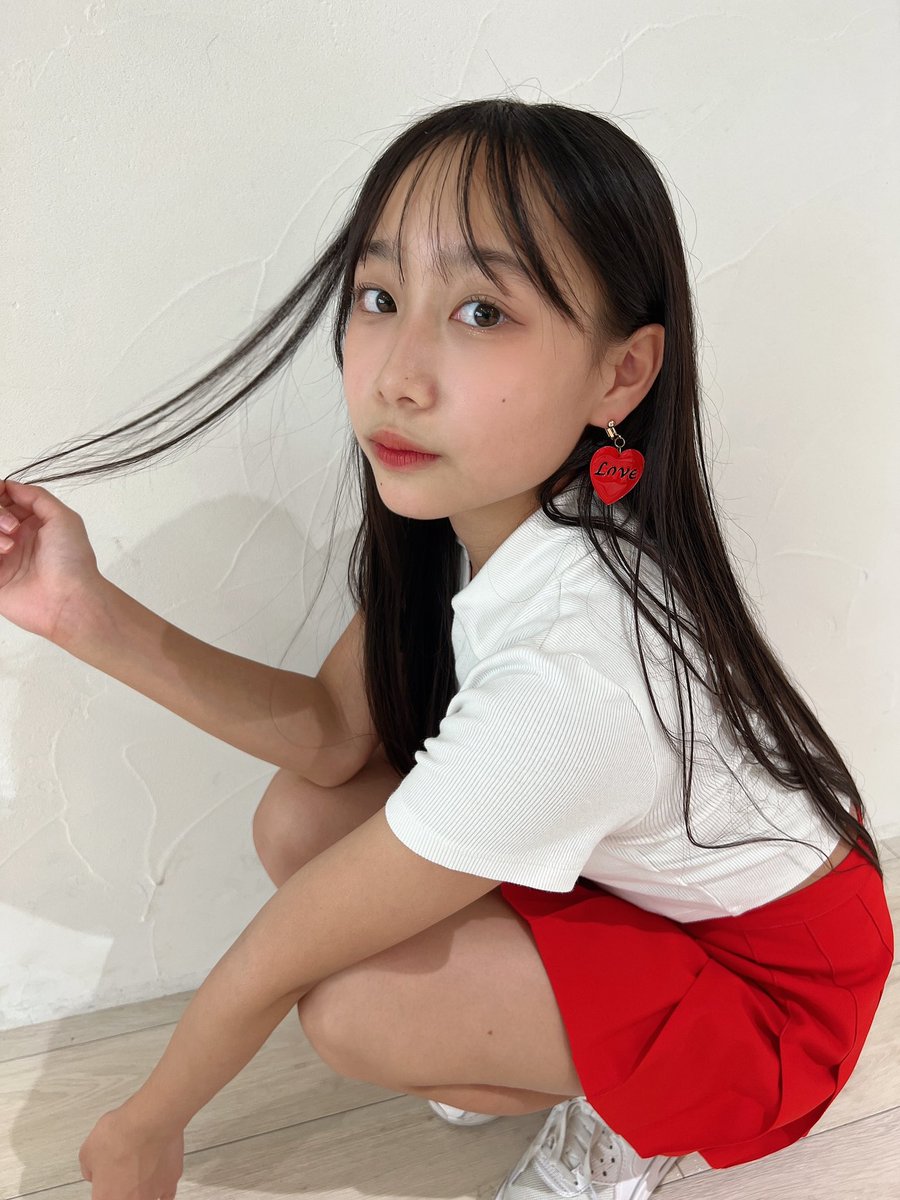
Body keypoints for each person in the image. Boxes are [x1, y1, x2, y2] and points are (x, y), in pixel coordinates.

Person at [1, 97, 893, 1200]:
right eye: (379, 298)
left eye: (481, 312)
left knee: (353, 1007)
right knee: (302, 817)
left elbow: (283, 951)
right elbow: (335, 737)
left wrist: (146, 1126)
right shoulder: (494, 512)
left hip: (776, 994)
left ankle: (624, 1117)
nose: (397, 375)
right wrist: (74, 607)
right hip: (674, 900)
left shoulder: (574, 666)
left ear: (621, 375)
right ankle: (533, 1043)